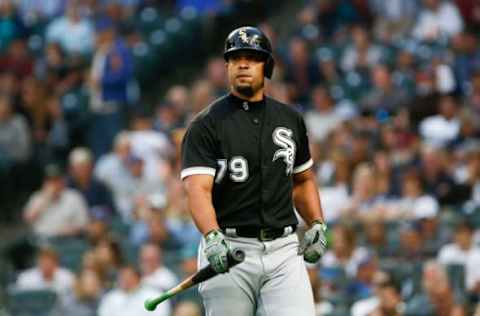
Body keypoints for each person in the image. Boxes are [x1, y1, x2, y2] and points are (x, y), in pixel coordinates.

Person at [180, 26, 328, 316]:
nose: (243, 64)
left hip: (284, 249)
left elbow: (303, 180)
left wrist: (317, 223)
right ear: (227, 67)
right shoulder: (205, 124)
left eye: (252, 57)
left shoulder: (290, 120)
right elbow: (197, 189)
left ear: (267, 66)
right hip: (230, 248)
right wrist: (211, 235)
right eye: (236, 58)